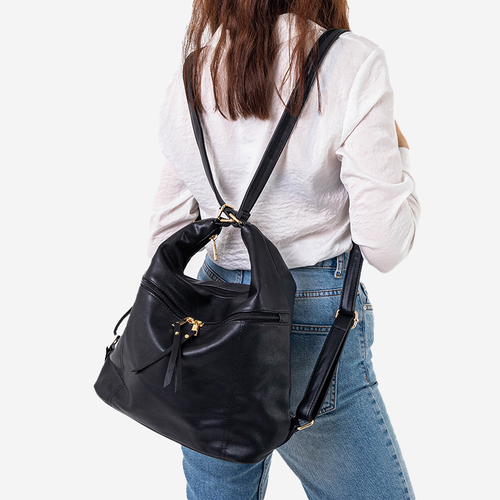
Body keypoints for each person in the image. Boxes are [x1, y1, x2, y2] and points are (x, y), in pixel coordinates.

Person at [147, 2, 420, 499]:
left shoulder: (193, 73)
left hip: (210, 318)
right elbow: (386, 245)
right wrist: (400, 153)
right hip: (308, 316)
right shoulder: (351, 62)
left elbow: (165, 234)